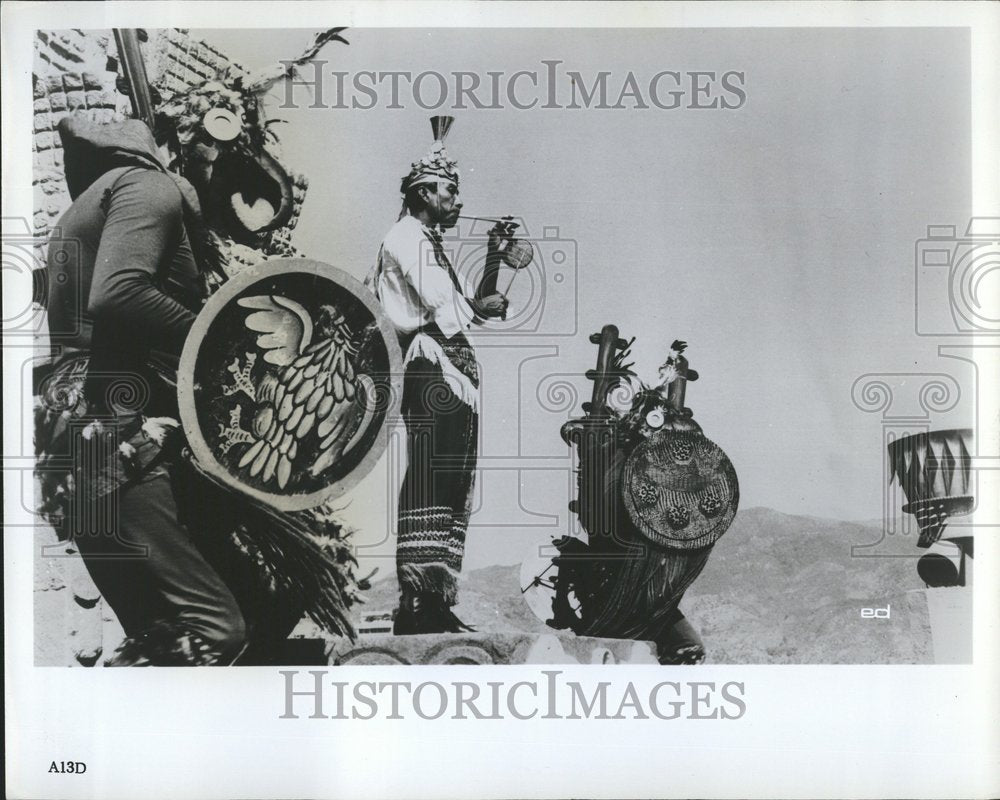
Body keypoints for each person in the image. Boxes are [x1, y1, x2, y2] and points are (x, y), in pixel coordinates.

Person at [367, 116, 516, 634]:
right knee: (432, 476)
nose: (456, 201)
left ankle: (435, 600)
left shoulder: (427, 241)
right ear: (423, 192)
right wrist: (481, 300)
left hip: (451, 372)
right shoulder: (406, 235)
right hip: (430, 369)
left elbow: (466, 309)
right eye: (450, 191)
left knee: (453, 483)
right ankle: (416, 603)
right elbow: (444, 307)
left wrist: (494, 259)